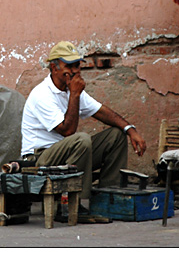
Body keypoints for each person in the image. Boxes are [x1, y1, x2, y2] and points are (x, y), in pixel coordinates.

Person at [20, 41, 147, 218]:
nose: (74, 71)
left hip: (66, 153)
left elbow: (101, 111)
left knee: (116, 135)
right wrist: (75, 94)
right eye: (68, 66)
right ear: (54, 67)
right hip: (40, 157)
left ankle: (107, 198)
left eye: (77, 65)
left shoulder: (70, 88)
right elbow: (67, 131)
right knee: (81, 139)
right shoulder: (42, 94)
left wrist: (130, 129)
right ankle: (72, 203)